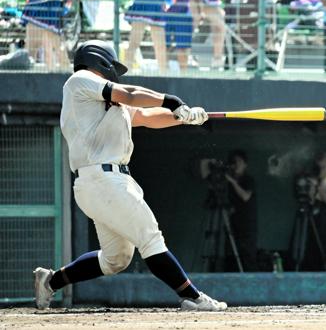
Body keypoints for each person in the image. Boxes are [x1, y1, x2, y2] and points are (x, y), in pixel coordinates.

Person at [33, 40, 226, 311]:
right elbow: (132, 93)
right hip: (102, 180)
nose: (116, 73)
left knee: (116, 259)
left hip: (104, 183)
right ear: (99, 61)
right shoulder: (80, 80)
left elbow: (146, 115)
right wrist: (172, 101)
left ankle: (50, 281)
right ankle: (193, 297)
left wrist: (186, 117)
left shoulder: (109, 103)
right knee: (150, 237)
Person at [301, 152, 326, 271]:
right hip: (314, 223)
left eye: (323, 166)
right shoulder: (315, 178)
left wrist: (318, 186)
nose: (321, 169)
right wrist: (311, 188)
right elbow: (311, 200)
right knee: (312, 255)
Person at [224, 150, 257, 271]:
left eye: (238, 162)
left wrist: (232, 181)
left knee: (247, 259)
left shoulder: (248, 180)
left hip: (247, 228)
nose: (235, 165)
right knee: (231, 260)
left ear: (245, 164)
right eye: (233, 162)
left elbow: (245, 196)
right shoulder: (228, 183)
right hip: (233, 226)